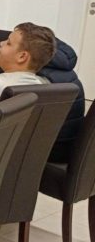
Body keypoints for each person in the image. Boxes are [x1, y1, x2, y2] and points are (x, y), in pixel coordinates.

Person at [38, 35, 86, 163]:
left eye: (9, 43)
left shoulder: (41, 80)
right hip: (69, 145)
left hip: (52, 152)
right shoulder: (64, 70)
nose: (1, 43)